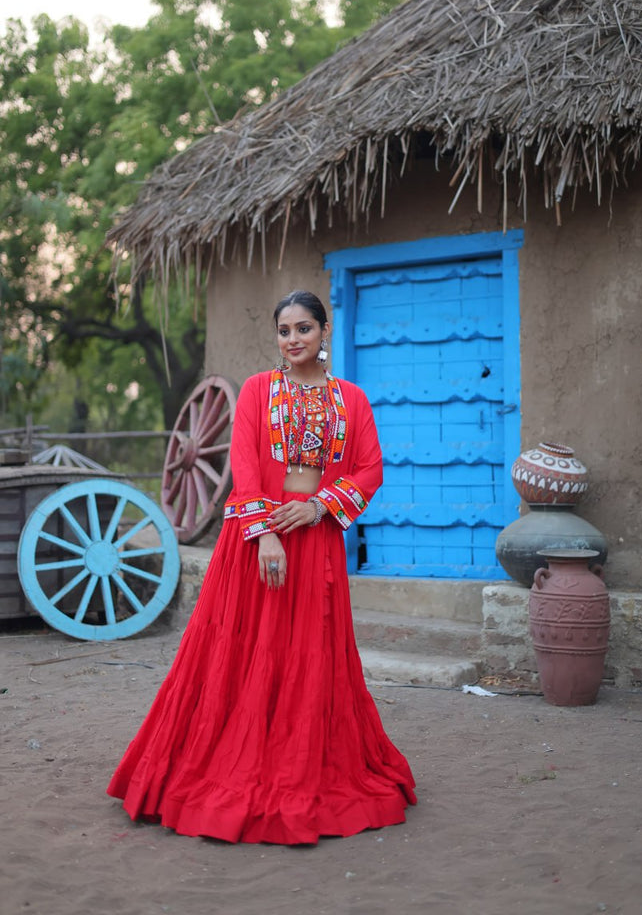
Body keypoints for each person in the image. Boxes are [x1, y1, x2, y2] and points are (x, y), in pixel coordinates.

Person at [107, 289, 417, 844]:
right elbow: (244, 464)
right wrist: (266, 535)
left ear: (324, 333)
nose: (293, 339)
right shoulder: (257, 390)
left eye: (304, 329)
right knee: (241, 652)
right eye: (284, 331)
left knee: (310, 653)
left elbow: (370, 469)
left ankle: (300, 764)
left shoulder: (351, 399)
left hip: (317, 538)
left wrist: (320, 505)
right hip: (257, 542)